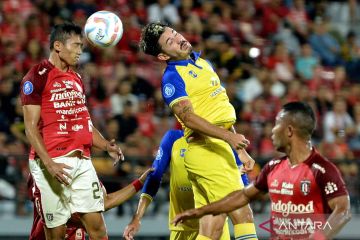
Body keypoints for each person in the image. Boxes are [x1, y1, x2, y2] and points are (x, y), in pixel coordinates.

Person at [139, 22, 255, 240]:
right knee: (242, 213)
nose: (179, 38)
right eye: (170, 41)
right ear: (163, 56)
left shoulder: (202, 62)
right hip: (205, 150)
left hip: (218, 148)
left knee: (212, 225)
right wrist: (229, 136)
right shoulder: (172, 78)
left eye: (175, 32)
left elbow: (219, 109)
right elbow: (188, 118)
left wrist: (239, 150)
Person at [173, 101, 352, 240]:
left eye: (277, 125)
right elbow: (242, 197)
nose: (272, 131)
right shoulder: (274, 168)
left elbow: (343, 211)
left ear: (289, 131)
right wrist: (202, 211)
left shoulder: (321, 170)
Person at [20, 23, 124, 240]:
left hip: (82, 160)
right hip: (51, 163)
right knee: (56, 233)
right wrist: (50, 164)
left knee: (98, 228)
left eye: (82, 47)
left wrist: (106, 145)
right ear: (58, 46)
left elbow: (84, 121)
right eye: (76, 46)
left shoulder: (76, 78)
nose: (80, 51)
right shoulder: (36, 76)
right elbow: (30, 128)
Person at [123, 129, 258, 240]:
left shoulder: (222, 137)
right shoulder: (173, 138)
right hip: (182, 228)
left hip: (216, 226)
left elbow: (241, 182)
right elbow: (154, 177)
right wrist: (137, 218)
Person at [28, 168, 153, 240]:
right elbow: (48, 213)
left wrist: (140, 183)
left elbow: (105, 201)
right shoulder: (40, 174)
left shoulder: (87, 177)